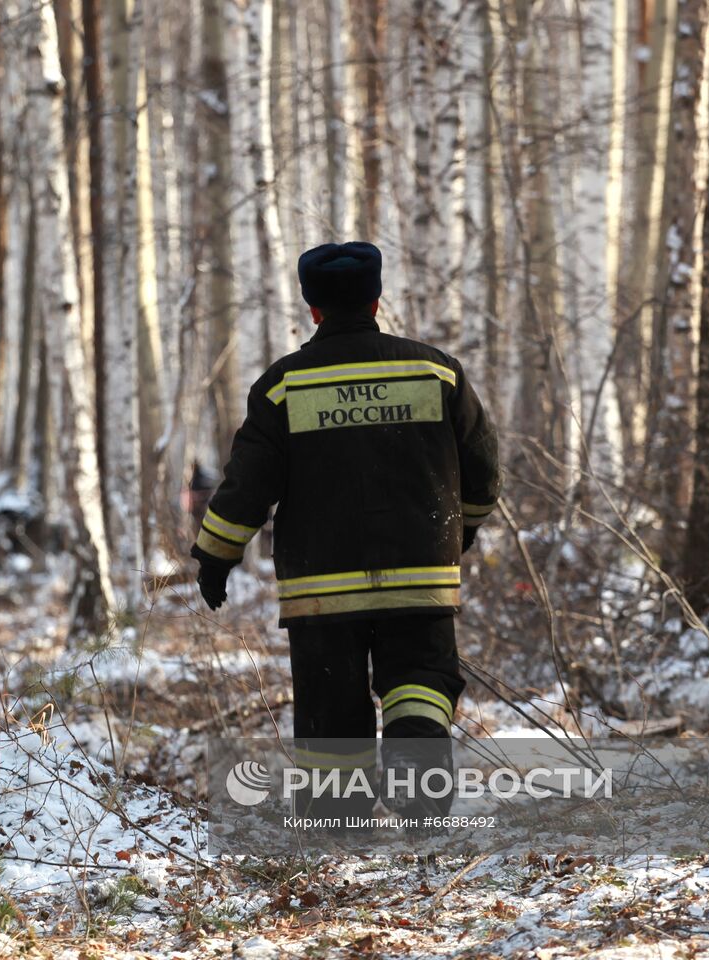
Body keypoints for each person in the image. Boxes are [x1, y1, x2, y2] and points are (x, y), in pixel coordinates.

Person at [189, 242, 501, 821]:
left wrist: (214, 555)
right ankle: (420, 798)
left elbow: (246, 488)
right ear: (377, 299)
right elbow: (482, 471)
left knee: (331, 702)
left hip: (321, 588)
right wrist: (463, 531)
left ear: (313, 309)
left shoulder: (283, 387)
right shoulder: (435, 372)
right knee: (420, 682)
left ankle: (340, 824)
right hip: (421, 576)